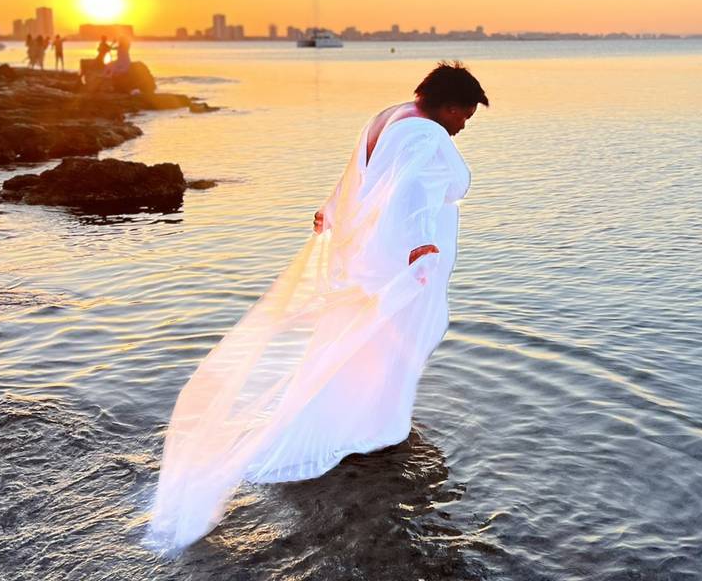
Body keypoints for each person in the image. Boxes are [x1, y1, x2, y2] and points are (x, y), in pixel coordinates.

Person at [149, 62, 488, 550]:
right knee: (384, 341)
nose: (463, 127)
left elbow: (360, 174)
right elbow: (411, 186)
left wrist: (331, 209)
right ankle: (362, 426)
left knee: (359, 338)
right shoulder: (426, 134)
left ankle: (355, 415)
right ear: (452, 105)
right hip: (397, 259)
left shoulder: (390, 117)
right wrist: (420, 241)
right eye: (465, 117)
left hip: (371, 254)